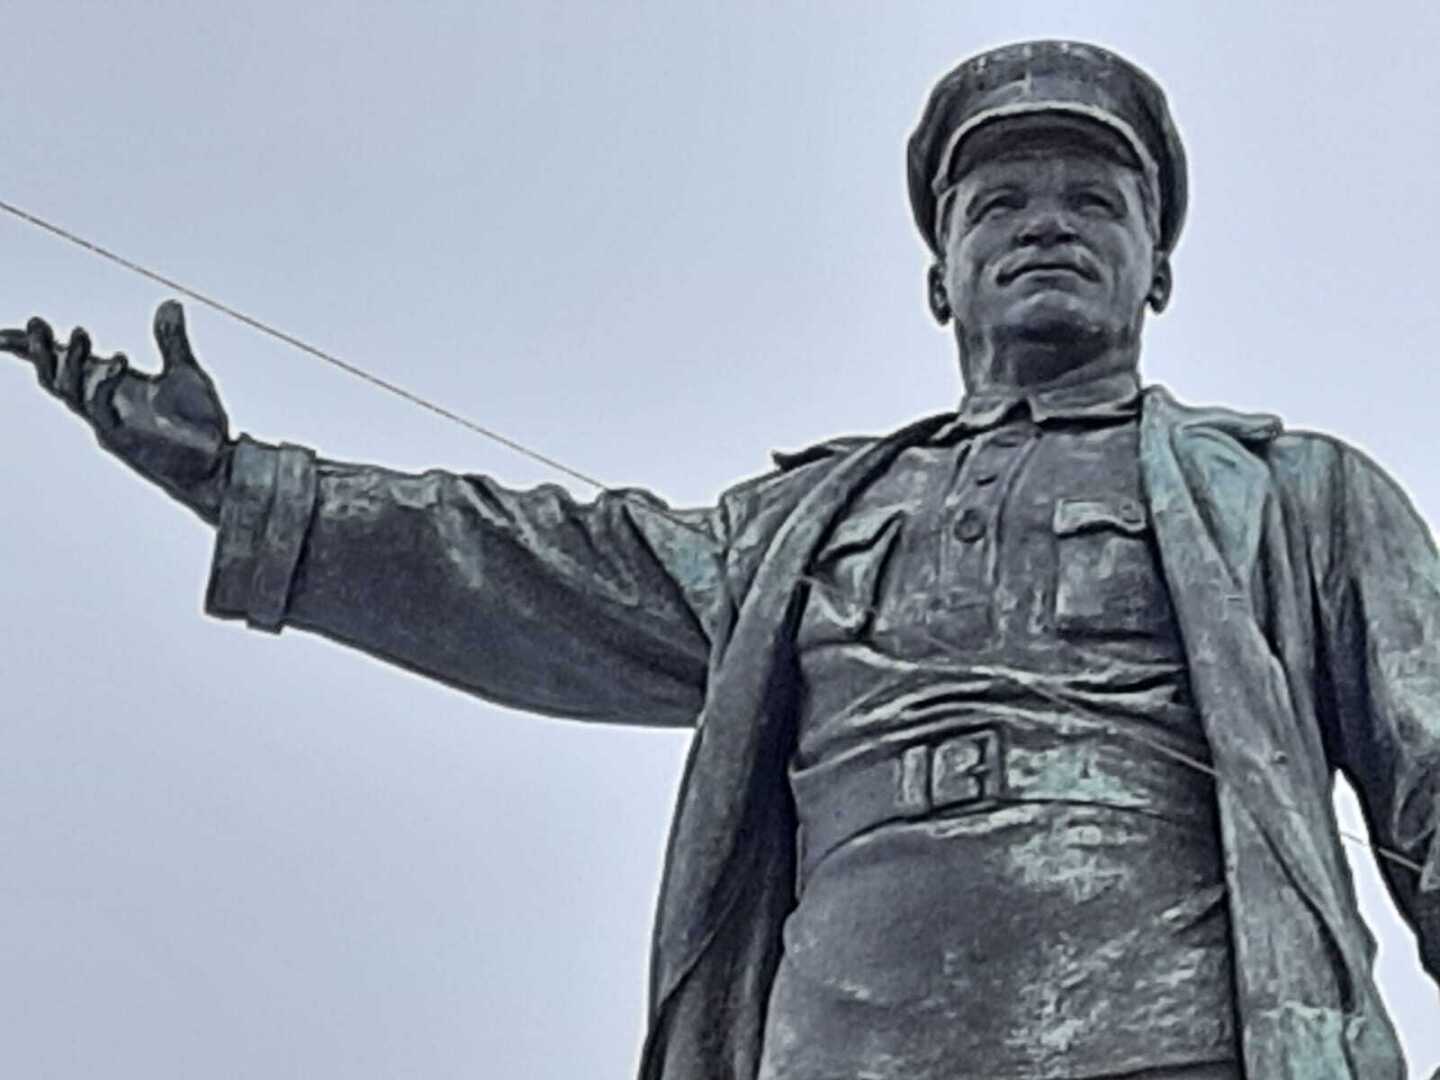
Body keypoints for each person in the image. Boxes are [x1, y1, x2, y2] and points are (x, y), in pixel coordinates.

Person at [5, 39, 1438, 1080]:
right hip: (846, 1040)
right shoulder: (809, 520)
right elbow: (538, 571)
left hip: (1176, 1034)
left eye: (1092, 198)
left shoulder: (1294, 496)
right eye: (998, 203)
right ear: (939, 273)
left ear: (1157, 266)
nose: (1045, 222)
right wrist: (238, 483)